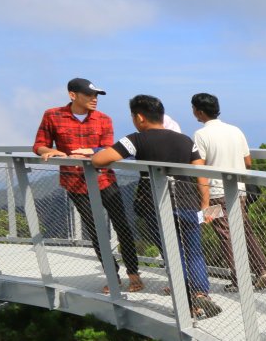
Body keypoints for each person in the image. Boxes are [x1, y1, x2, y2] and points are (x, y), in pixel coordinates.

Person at [92, 95, 222, 320]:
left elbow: (99, 160)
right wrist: (205, 203)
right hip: (188, 203)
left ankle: (187, 301)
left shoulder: (136, 139)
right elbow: (201, 173)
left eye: (134, 116)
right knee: (193, 252)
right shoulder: (184, 140)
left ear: (140, 117)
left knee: (173, 254)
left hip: (155, 206)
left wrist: (91, 153)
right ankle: (202, 294)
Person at [33, 77, 142, 293]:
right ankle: (112, 276)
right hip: (74, 182)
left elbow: (108, 148)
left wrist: (92, 151)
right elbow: (39, 144)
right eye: (89, 95)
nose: (94, 99)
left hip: (104, 178)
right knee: (95, 229)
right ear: (73, 95)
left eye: (96, 96)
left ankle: (133, 272)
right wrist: (49, 152)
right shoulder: (53, 115)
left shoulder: (103, 119)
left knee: (122, 225)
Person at [190, 93, 266, 291]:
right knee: (244, 230)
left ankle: (239, 279)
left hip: (215, 193)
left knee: (225, 234)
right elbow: (248, 162)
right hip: (239, 192)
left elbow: (199, 168)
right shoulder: (236, 130)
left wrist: (204, 202)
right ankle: (262, 269)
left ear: (199, 111)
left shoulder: (200, 135)